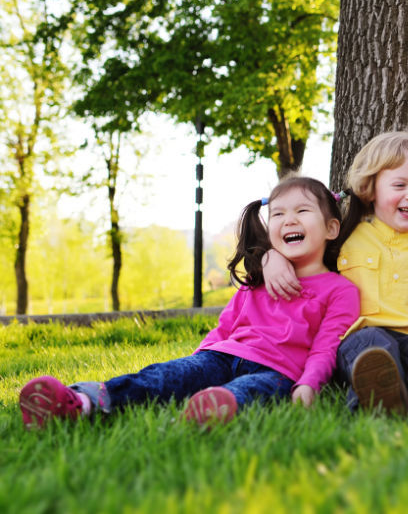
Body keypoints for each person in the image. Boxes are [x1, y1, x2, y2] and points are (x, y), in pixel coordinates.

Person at [20, 176, 361, 429]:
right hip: (223, 356)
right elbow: (224, 327)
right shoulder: (256, 279)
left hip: (279, 371)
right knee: (163, 377)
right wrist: (197, 363)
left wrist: (309, 384)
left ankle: (207, 412)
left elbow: (326, 346)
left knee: (252, 391)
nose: (289, 220)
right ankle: (79, 401)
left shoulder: (340, 290)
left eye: (302, 211)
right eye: (278, 214)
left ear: (331, 228)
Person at [264, 131, 408, 416]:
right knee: (374, 348)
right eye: (399, 185)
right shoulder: (349, 236)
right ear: (371, 188)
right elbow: (303, 253)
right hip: (361, 336)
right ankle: (375, 399)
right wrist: (271, 257)